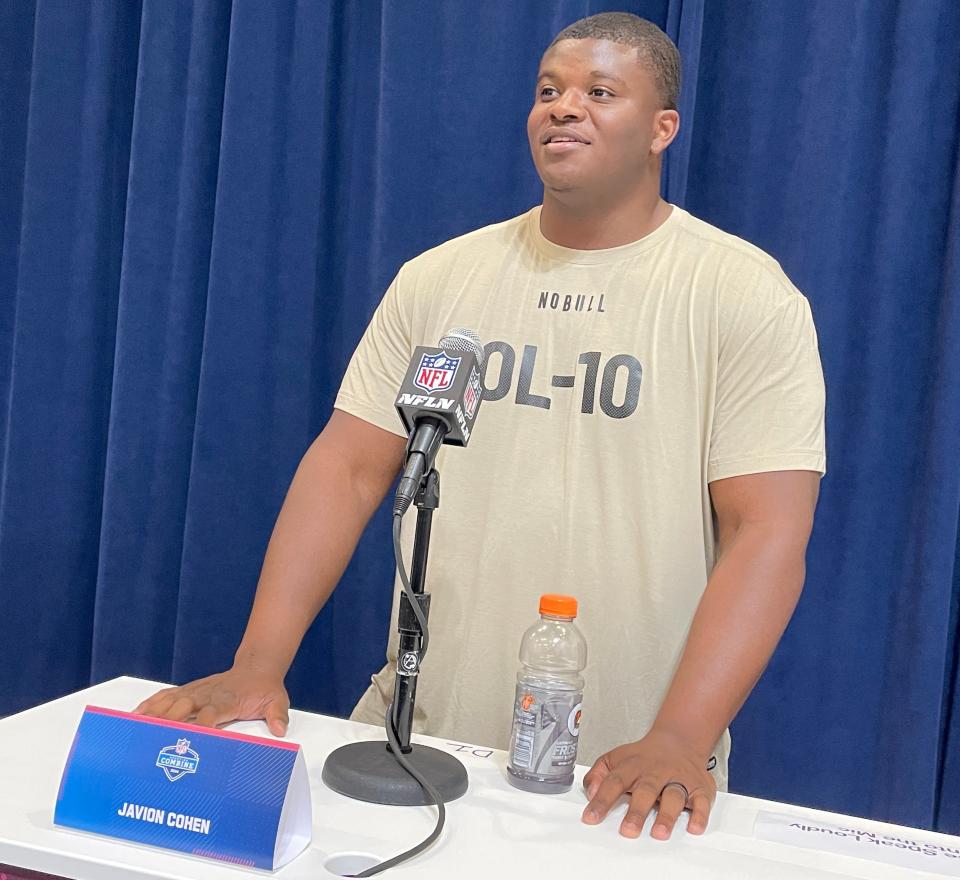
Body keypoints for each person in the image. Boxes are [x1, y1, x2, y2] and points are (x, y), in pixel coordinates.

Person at [136, 12, 825, 842]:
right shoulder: (442, 278)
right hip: (415, 742)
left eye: (599, 92)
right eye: (549, 91)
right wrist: (258, 663)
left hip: (625, 773)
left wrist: (681, 735)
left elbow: (767, 533)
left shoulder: (742, 294)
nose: (564, 108)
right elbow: (348, 469)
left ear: (661, 129)